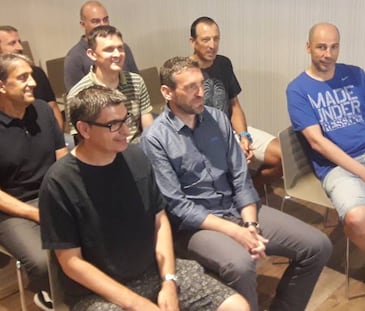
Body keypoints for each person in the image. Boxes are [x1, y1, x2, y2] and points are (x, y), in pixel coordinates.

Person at [141, 56, 332, 311]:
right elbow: (177, 206)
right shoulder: (155, 138)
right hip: (196, 227)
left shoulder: (218, 119)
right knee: (241, 264)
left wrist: (250, 224)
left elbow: (240, 177)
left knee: (318, 246)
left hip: (236, 209)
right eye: (191, 87)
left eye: (202, 84)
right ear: (167, 92)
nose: (201, 93)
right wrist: (236, 232)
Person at [39, 85, 249, 311]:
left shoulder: (136, 157)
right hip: (98, 292)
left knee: (237, 306)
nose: (126, 130)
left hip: (154, 272)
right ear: (84, 129)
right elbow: (71, 263)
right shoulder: (59, 182)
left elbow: (160, 222)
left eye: (126, 119)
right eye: (113, 125)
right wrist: (137, 303)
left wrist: (169, 280)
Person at [286, 22, 365, 309]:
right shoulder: (298, 90)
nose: (328, 54)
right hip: (338, 168)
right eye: (321, 47)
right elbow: (318, 143)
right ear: (308, 47)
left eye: (334, 46)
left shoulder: (355, 75)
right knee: (356, 219)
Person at [0, 53, 67, 310]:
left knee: (100, 230)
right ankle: (49, 295)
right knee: (42, 262)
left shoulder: (41, 110)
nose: (33, 83)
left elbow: (62, 158)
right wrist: (35, 213)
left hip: (52, 194)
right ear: (2, 85)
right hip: (12, 208)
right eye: (23, 77)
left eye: (32, 75)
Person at [189, 16, 283, 192]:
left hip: (231, 131)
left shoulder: (223, 63)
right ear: (192, 42)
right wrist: (230, 145)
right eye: (205, 39)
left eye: (216, 38)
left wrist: (244, 137)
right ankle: (238, 195)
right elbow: (186, 123)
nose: (212, 45)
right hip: (204, 139)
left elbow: (234, 105)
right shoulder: (185, 72)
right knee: (230, 162)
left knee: (283, 156)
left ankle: (248, 191)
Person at [67, 25, 153, 143]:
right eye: (109, 49)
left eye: (120, 48)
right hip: (102, 155)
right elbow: (82, 141)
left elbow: (148, 125)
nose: (117, 54)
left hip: (137, 149)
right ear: (92, 54)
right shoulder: (78, 93)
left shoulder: (136, 81)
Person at [64, 0, 139, 91]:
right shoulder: (74, 58)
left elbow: (136, 84)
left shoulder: (122, 48)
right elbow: (76, 98)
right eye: (96, 21)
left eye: (105, 19)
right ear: (83, 25)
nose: (102, 25)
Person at [0, 25, 64, 130]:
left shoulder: (37, 73)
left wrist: (58, 137)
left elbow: (53, 107)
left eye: (19, 42)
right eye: (12, 43)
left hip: (46, 132)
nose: (20, 47)